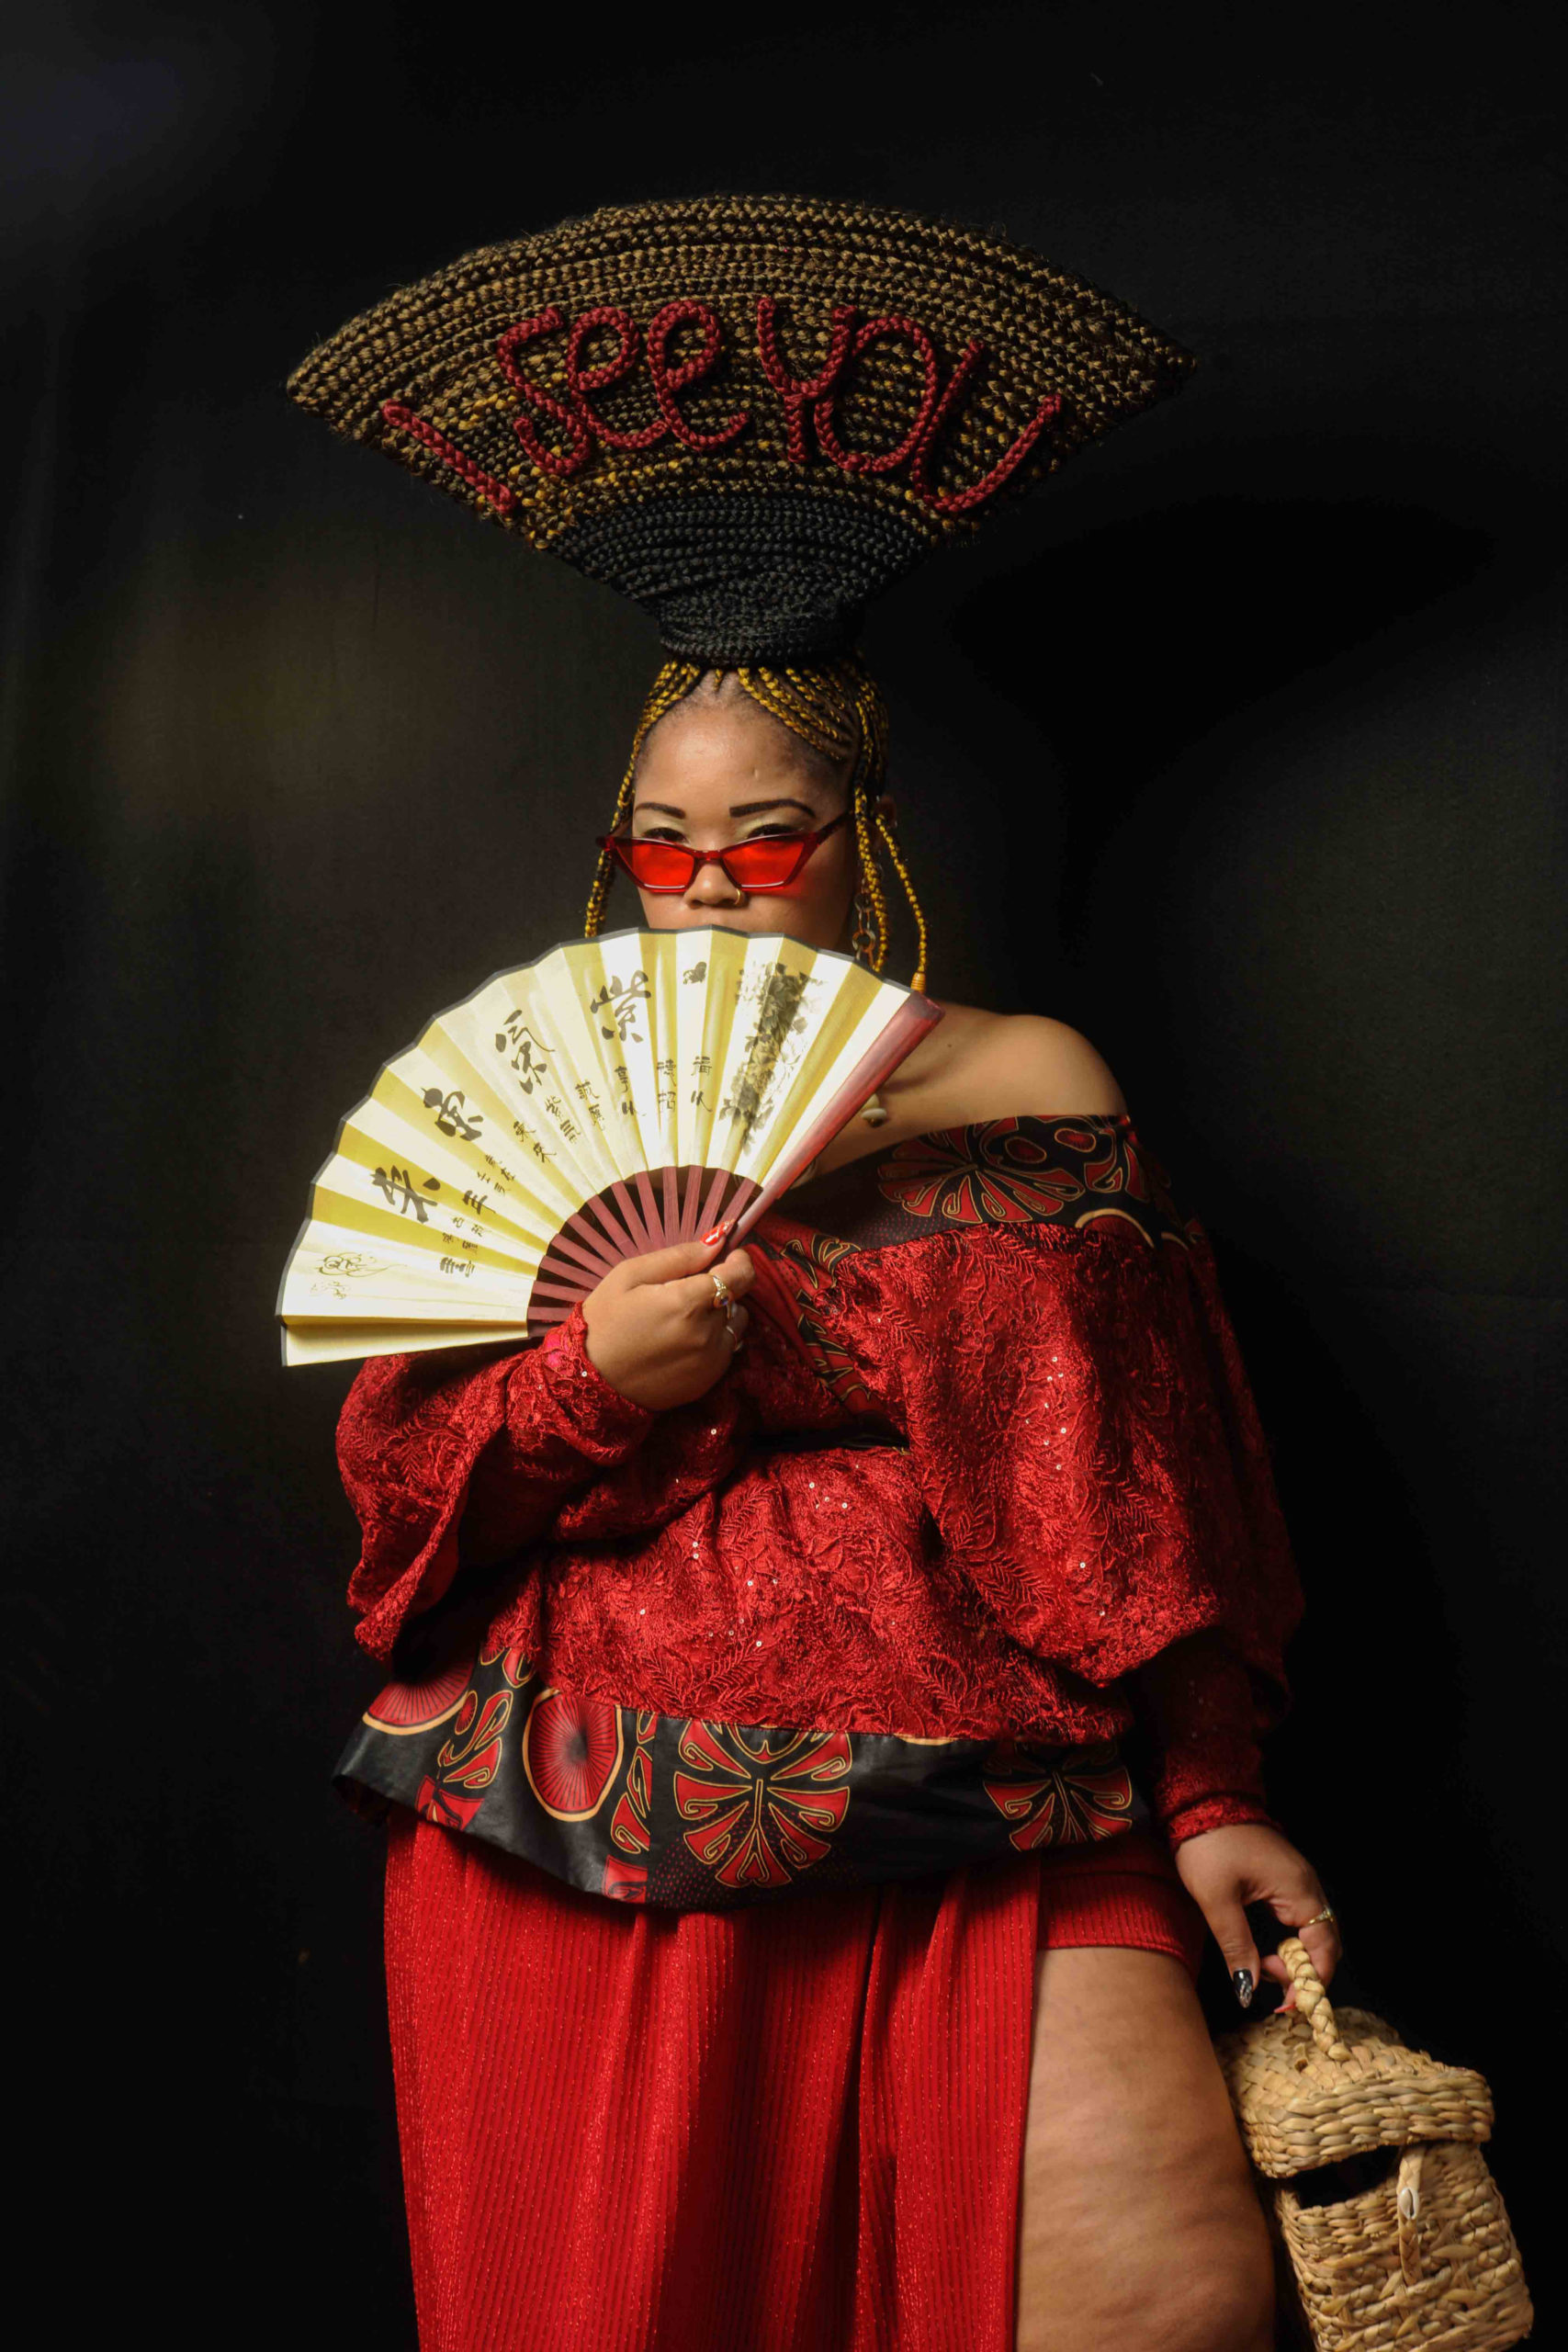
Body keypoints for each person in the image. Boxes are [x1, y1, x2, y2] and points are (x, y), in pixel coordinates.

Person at [294, 196, 1341, 2352]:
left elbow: (1132, 1471)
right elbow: (402, 1499)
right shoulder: (532, 1093)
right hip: (583, 1813)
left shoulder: (1021, 1074)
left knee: (1163, 2297)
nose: (703, 889)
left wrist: (1213, 1786)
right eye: (658, 847)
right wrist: (594, 1377)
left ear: (863, 836)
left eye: (759, 838)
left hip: (989, 1785)